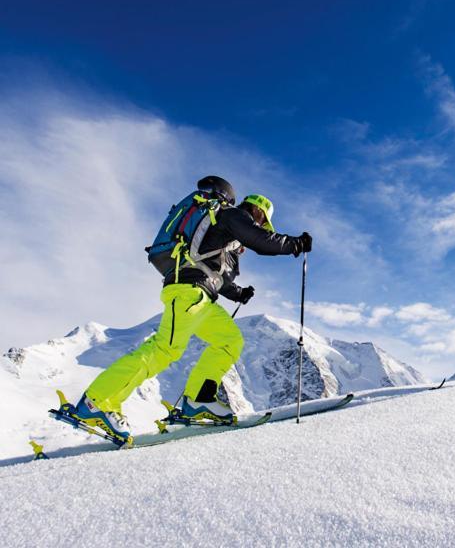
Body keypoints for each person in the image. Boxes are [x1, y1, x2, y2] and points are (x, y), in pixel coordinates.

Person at [70, 176, 312, 443]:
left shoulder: (221, 228)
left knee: (229, 341)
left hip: (201, 297)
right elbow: (260, 240)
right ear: (256, 209)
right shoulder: (232, 215)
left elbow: (214, 273)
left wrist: (238, 293)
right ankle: (96, 402)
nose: (262, 224)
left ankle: (199, 400)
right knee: (165, 349)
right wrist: (293, 243)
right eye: (263, 219)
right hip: (187, 292)